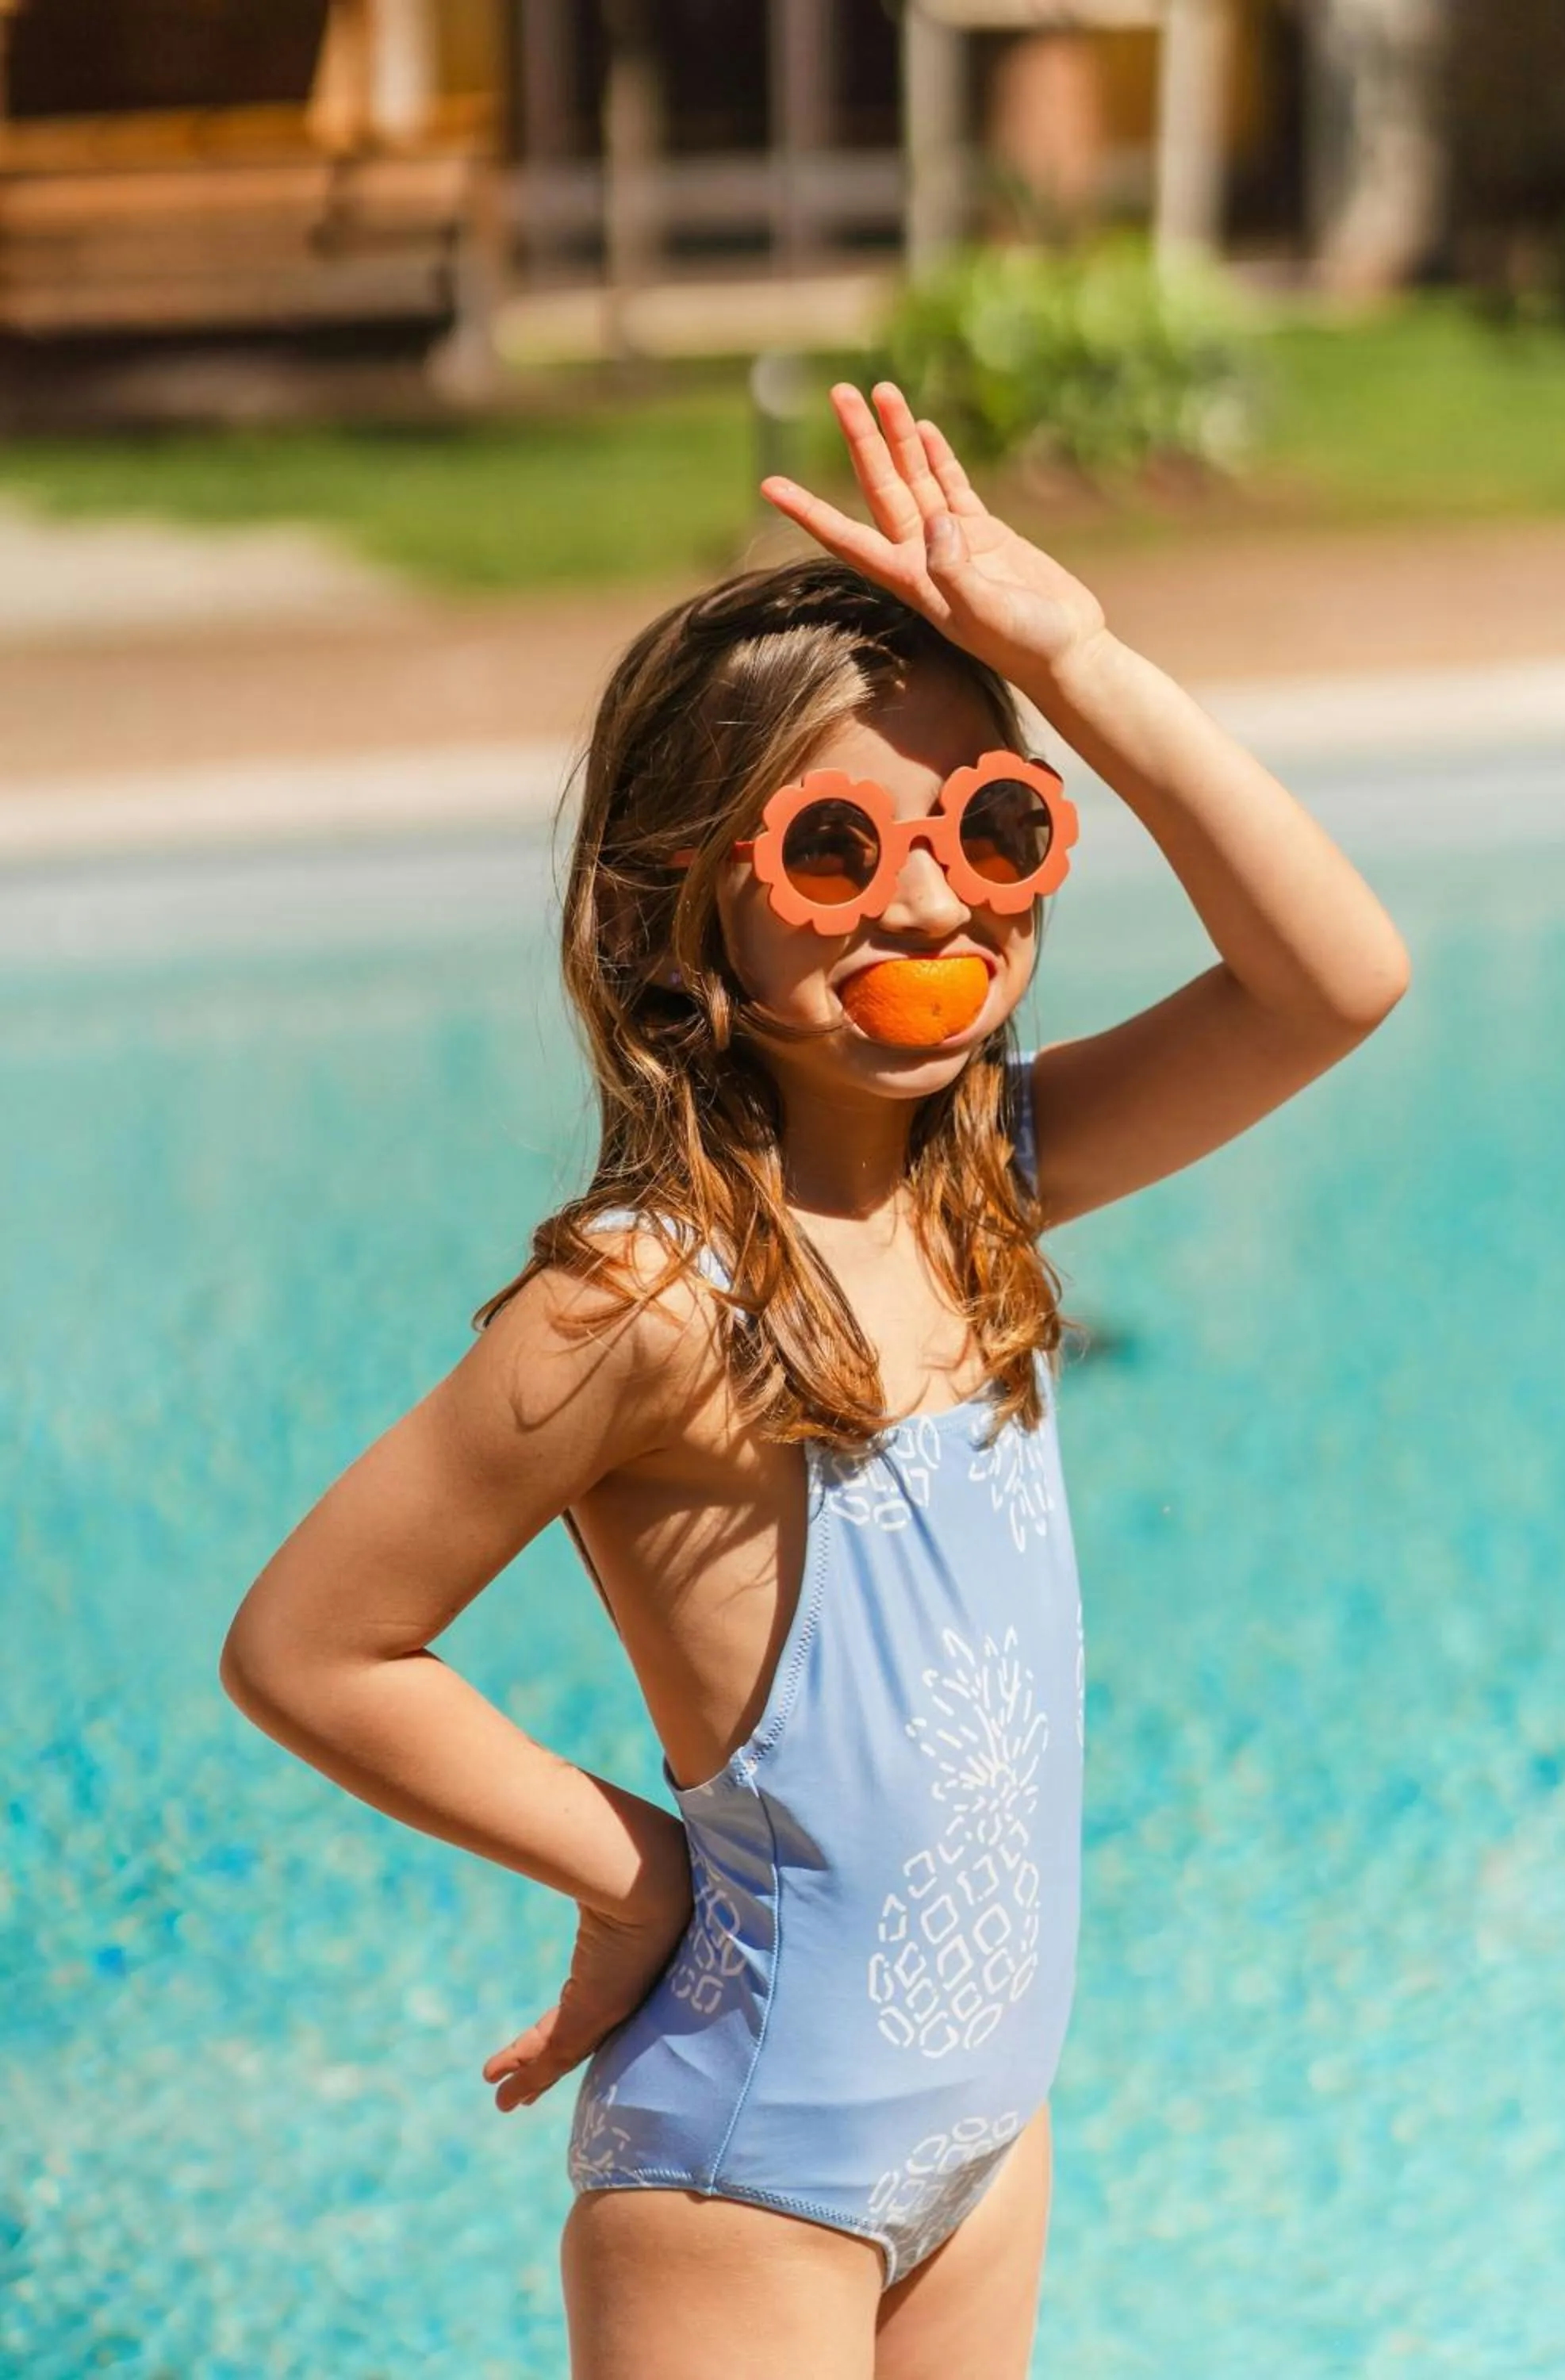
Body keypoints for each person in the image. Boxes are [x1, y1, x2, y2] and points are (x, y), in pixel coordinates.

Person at [219, 382, 1411, 2380]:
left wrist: (1078, 661)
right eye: (839, 852)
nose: (934, 906)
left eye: (992, 828)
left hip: (981, 2137)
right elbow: (314, 1643)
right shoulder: (644, 1300)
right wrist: (634, 1864)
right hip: (748, 2177)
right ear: (686, 902)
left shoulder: (992, 1187)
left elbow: (1335, 978)